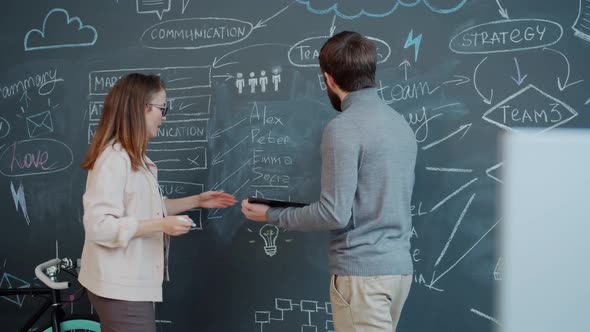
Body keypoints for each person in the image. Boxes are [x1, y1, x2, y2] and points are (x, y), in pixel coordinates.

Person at [241, 31, 417, 332]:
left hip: (363, 276)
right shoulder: (399, 123)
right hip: (398, 272)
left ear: (329, 79)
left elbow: (334, 212)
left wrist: (272, 215)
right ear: (370, 72)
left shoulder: (344, 128)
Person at [78, 73, 236, 332]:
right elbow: (100, 227)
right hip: (122, 289)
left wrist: (197, 200)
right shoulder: (114, 160)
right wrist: (159, 225)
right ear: (142, 108)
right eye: (163, 108)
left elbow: (147, 208)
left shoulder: (134, 158)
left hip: (128, 286)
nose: (165, 116)